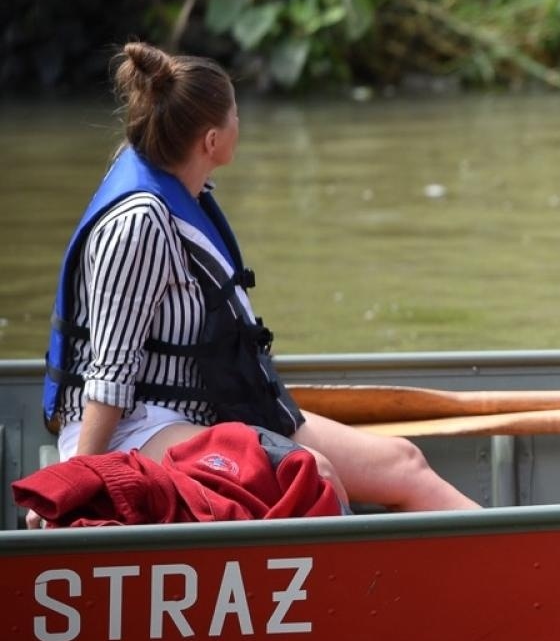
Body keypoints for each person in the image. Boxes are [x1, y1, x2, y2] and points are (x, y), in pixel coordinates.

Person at [40, 42, 479, 512]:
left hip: (204, 412)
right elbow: (110, 375)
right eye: (235, 115)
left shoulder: (183, 189)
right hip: (135, 430)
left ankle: (501, 562)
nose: (240, 125)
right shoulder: (139, 223)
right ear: (211, 140)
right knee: (312, 473)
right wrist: (79, 482)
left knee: (403, 461)